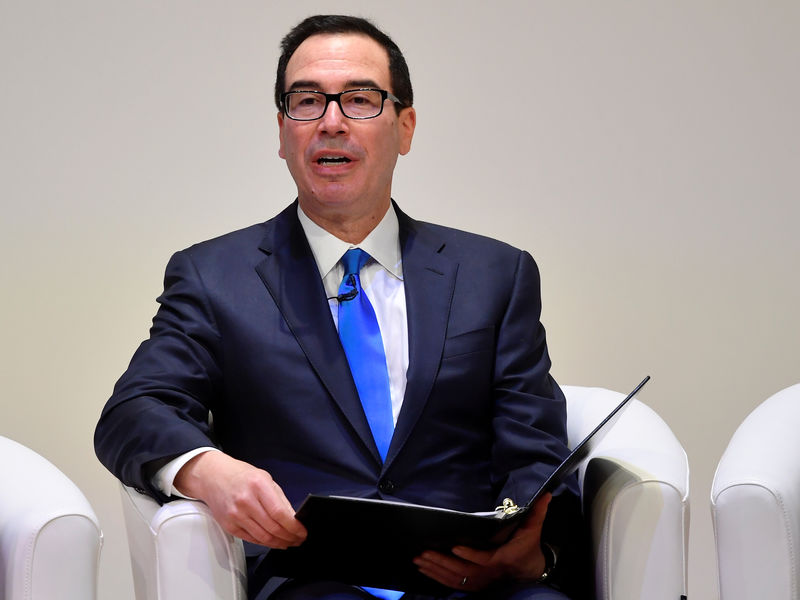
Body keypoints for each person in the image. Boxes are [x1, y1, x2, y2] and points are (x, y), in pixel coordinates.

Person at [95, 14, 592, 600]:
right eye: (306, 101)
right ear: (282, 132)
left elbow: (532, 442)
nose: (331, 122)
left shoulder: (494, 274)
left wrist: (525, 548)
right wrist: (206, 469)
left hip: (473, 579)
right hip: (311, 578)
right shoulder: (214, 277)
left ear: (405, 127)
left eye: (359, 99)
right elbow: (134, 409)